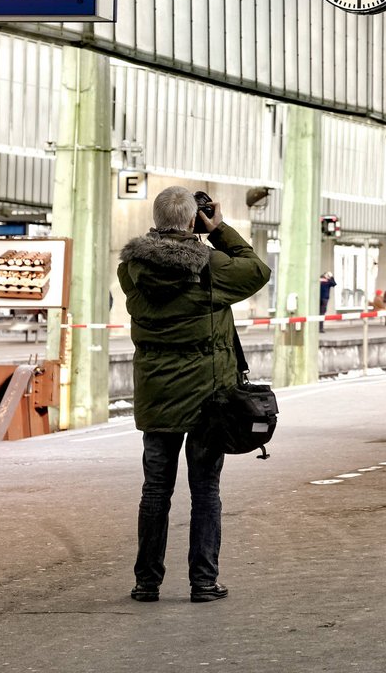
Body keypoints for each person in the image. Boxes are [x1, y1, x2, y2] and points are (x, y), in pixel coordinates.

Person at [117, 186, 270, 604]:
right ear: (191, 220)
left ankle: (146, 582)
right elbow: (256, 270)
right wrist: (218, 229)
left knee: (155, 491)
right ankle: (203, 582)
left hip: (157, 395)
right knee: (204, 491)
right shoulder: (211, 267)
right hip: (207, 400)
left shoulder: (130, 269)